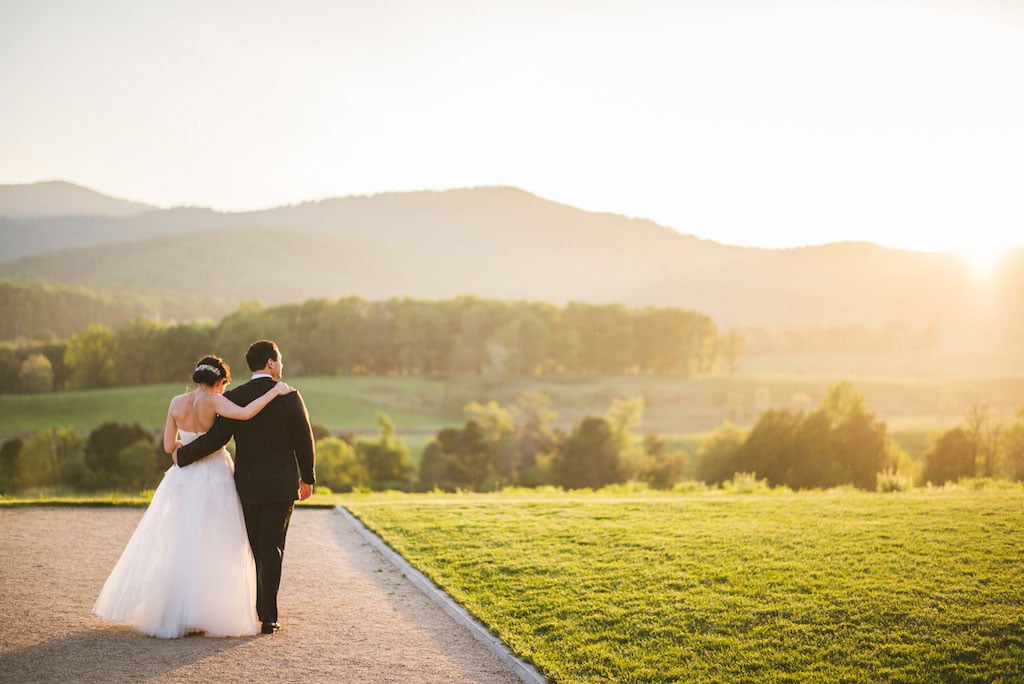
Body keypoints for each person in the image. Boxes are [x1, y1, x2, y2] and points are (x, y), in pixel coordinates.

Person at [93, 355, 294, 638]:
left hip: (183, 478)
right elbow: (247, 413)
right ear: (219, 381)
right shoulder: (215, 402)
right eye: (224, 384)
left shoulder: (176, 403)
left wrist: (180, 449)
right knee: (215, 543)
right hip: (214, 475)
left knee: (181, 541)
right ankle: (207, 612)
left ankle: (180, 614)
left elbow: (167, 445)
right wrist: (275, 391)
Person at [173, 340, 315, 635]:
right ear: (271, 363)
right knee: (272, 547)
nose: (282, 365)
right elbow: (304, 439)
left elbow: (215, 439)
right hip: (280, 484)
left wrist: (182, 456)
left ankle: (249, 609)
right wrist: (307, 478)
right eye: (280, 360)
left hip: (247, 485)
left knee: (251, 547)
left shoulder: (235, 396)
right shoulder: (289, 396)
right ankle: (268, 617)